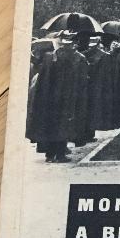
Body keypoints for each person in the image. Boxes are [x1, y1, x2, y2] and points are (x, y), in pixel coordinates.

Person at [26, 31, 89, 162]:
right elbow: (77, 81)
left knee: (50, 125)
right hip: (64, 98)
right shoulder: (72, 58)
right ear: (71, 44)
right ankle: (60, 155)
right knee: (62, 126)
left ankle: (49, 155)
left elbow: (42, 80)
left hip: (48, 98)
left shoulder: (49, 57)